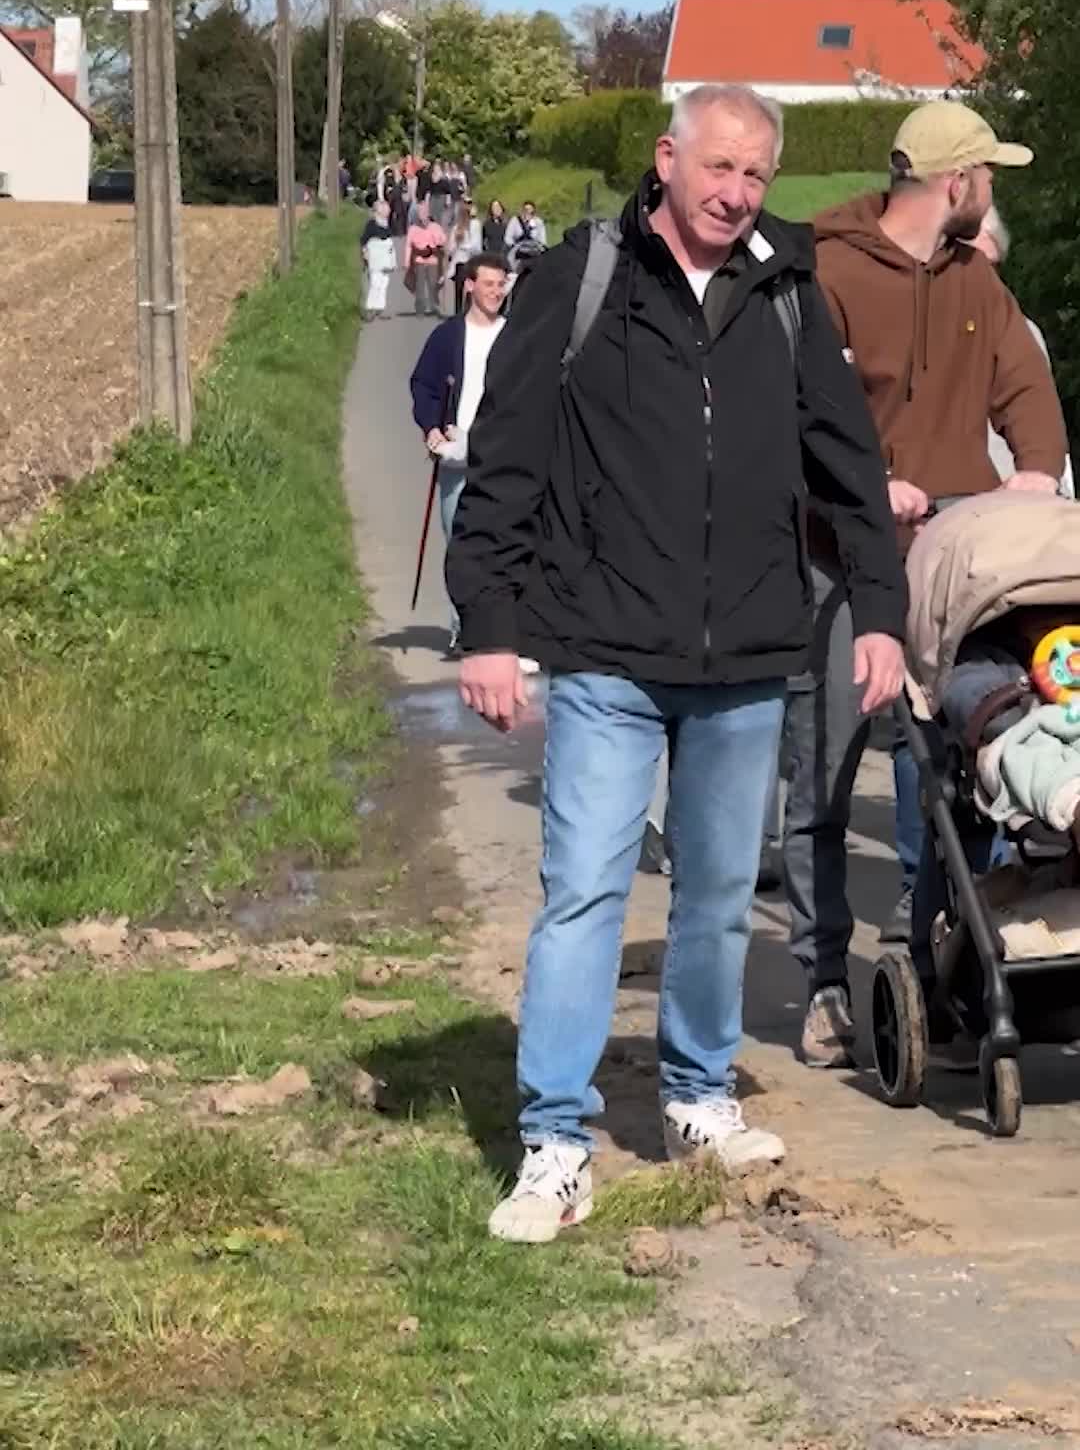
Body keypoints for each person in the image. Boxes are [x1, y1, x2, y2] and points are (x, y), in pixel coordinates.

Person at [447, 84, 907, 1243]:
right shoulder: (582, 280)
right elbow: (503, 463)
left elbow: (848, 464)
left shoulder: (790, 294)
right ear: (668, 160)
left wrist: (887, 614)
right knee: (587, 892)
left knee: (711, 900)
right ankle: (556, 1137)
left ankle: (698, 1098)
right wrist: (491, 627)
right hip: (603, 648)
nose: (736, 192)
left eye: (756, 174)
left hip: (750, 653)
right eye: (719, 169)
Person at [784, 101, 1068, 1063]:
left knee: (962, 778)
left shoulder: (976, 283)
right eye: (987, 174)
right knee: (823, 777)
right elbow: (795, 415)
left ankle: (946, 965)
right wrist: (870, 486)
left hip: (954, 562)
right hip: (836, 558)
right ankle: (824, 979)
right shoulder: (829, 274)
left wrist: (1034, 475)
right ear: (956, 182)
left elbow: (1026, 389)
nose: (992, 189)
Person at [410, 255, 511, 652]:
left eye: (501, 285)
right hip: (456, 452)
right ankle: (464, 627)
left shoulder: (515, 335)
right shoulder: (447, 336)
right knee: (460, 541)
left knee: (505, 541)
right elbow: (424, 385)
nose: (496, 292)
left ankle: (502, 630)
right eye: (488, 284)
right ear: (469, 286)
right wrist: (431, 429)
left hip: (504, 452)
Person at [974, 206, 1075, 498]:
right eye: (970, 264)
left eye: (990, 267)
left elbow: (1042, 415)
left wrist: (1057, 487)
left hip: (1017, 501)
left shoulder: (1022, 332)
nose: (982, 279)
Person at [405, 199, 446, 318]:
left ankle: (433, 306)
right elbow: (408, 246)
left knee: (433, 285)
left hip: (433, 259)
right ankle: (420, 308)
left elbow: (443, 240)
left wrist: (436, 237)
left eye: (425, 213)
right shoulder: (413, 229)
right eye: (420, 214)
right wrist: (406, 262)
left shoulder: (435, 227)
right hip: (419, 260)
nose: (423, 216)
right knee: (419, 286)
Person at [361, 200, 397, 319]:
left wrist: (393, 260)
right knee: (375, 283)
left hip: (385, 259)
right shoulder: (371, 225)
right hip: (375, 259)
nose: (388, 211)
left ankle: (380, 308)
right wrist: (365, 252)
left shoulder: (386, 223)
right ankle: (370, 309)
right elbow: (364, 240)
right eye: (386, 209)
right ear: (379, 210)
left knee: (384, 284)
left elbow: (390, 242)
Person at [447, 201, 484, 315]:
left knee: (470, 290)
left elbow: (477, 246)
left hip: (471, 261)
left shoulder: (475, 225)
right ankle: (458, 314)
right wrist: (455, 248)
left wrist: (463, 247)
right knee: (459, 290)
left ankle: (468, 313)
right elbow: (451, 247)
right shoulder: (457, 228)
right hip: (460, 262)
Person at [504, 200, 547, 273]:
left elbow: (542, 239)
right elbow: (508, 237)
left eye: (530, 209)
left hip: (533, 250)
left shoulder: (538, 222)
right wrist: (514, 245)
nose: (527, 211)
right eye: (526, 209)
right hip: (519, 250)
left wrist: (540, 247)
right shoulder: (515, 220)